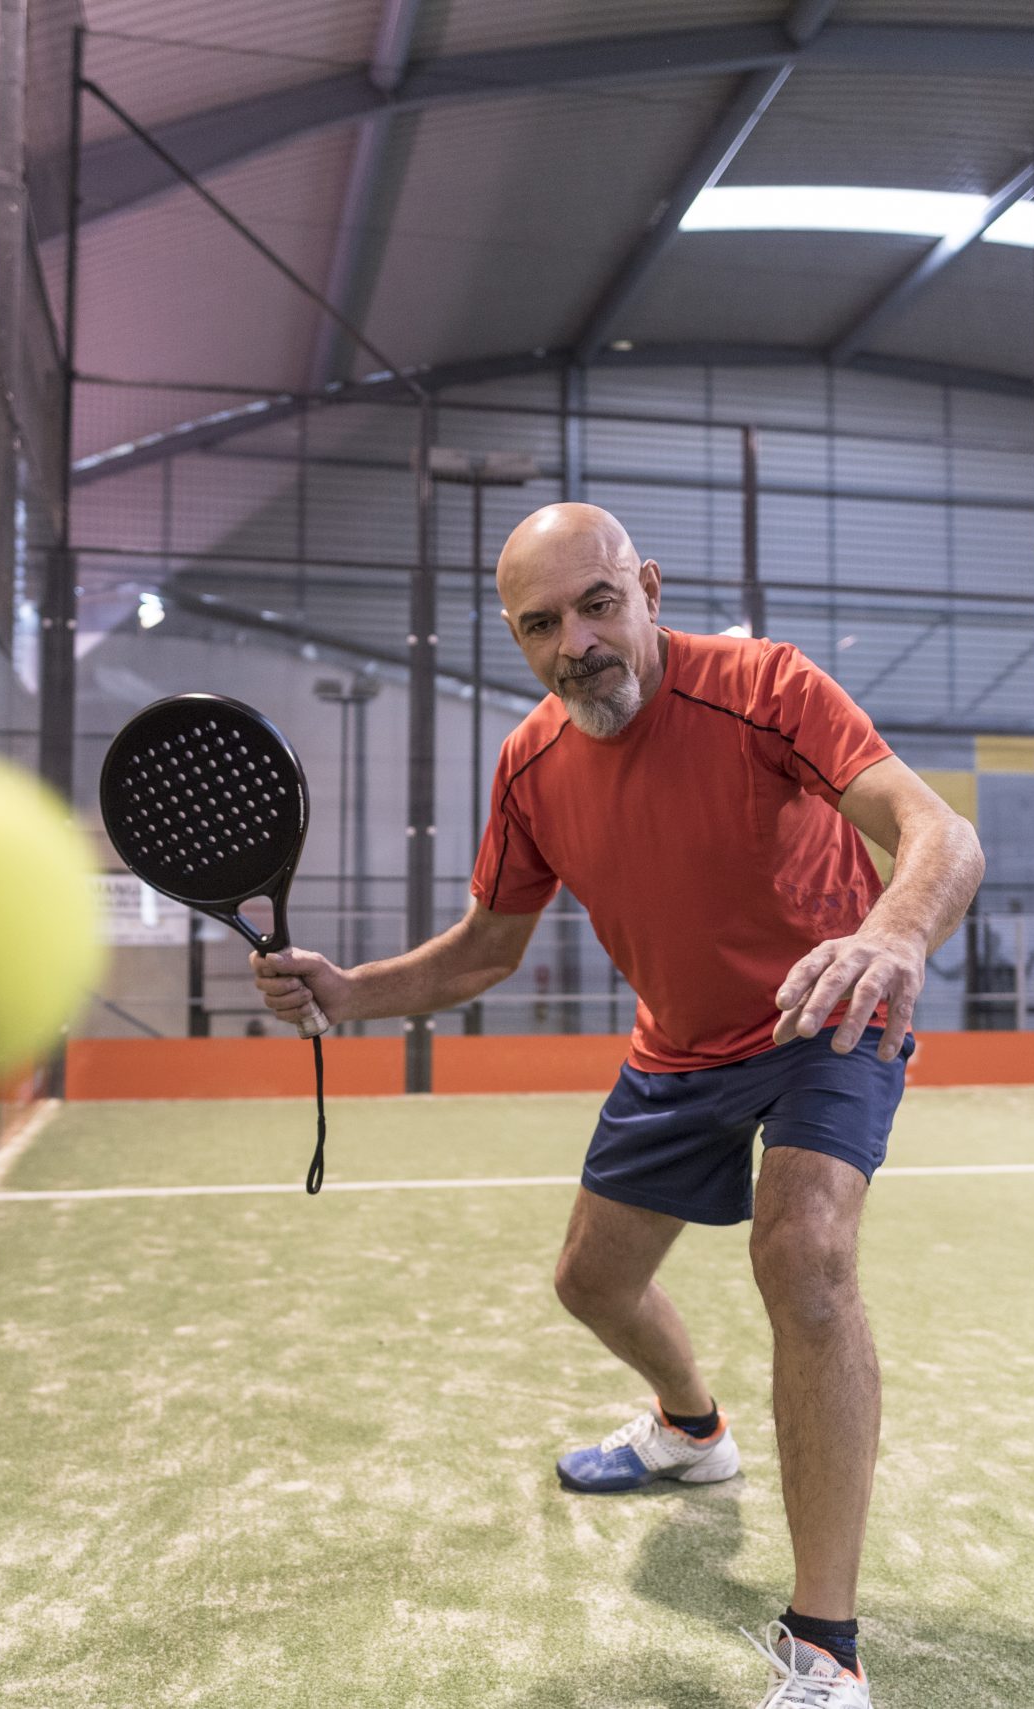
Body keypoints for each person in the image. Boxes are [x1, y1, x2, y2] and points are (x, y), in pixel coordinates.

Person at [250, 502, 983, 1707]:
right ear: (515, 636)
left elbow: (936, 830)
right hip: (678, 1048)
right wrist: (349, 991)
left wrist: (892, 934)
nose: (574, 642)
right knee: (589, 1282)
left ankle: (825, 1646)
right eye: (540, 624)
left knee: (803, 1253)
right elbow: (486, 947)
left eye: (597, 604)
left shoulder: (764, 685)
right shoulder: (531, 762)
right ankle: (692, 1433)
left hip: (825, 1008)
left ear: (647, 587)